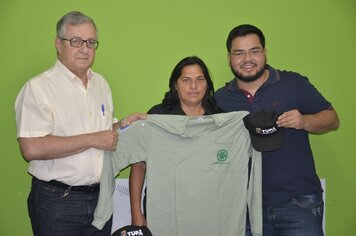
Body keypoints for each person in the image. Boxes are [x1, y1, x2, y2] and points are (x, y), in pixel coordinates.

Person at [15, 11, 145, 236]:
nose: (84, 48)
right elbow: (31, 148)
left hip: (100, 199)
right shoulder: (38, 88)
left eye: (91, 42)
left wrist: (124, 124)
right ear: (59, 44)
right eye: (76, 41)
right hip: (57, 201)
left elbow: (105, 133)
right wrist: (95, 139)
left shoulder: (101, 84)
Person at [214, 24, 340, 236]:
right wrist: (148, 119)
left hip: (299, 203)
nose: (247, 58)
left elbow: (333, 119)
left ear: (265, 53)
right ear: (229, 58)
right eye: (239, 53)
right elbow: (191, 126)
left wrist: (304, 121)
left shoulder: (294, 83)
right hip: (245, 208)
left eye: (254, 50)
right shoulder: (220, 98)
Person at [129, 56, 223, 226]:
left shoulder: (220, 120)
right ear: (175, 85)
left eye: (200, 79)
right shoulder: (157, 117)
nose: (193, 86)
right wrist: (136, 213)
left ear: (207, 84)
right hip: (162, 210)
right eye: (186, 80)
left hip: (207, 211)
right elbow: (139, 166)